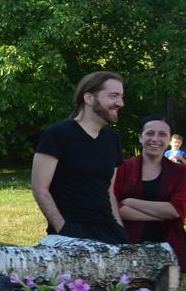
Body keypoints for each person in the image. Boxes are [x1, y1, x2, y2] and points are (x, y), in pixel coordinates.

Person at [31, 71, 128, 244]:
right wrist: (64, 230)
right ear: (89, 98)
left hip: (110, 232)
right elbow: (40, 189)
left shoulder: (112, 140)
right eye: (113, 96)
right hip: (71, 232)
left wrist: (119, 229)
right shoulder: (57, 135)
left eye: (121, 96)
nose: (120, 103)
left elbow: (109, 192)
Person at [115, 115, 186, 267]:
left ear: (168, 141)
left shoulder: (181, 173)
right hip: (127, 248)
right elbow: (116, 209)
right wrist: (163, 215)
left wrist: (131, 202)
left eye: (162, 134)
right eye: (149, 133)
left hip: (168, 251)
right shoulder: (123, 169)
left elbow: (176, 210)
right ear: (140, 138)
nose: (155, 139)